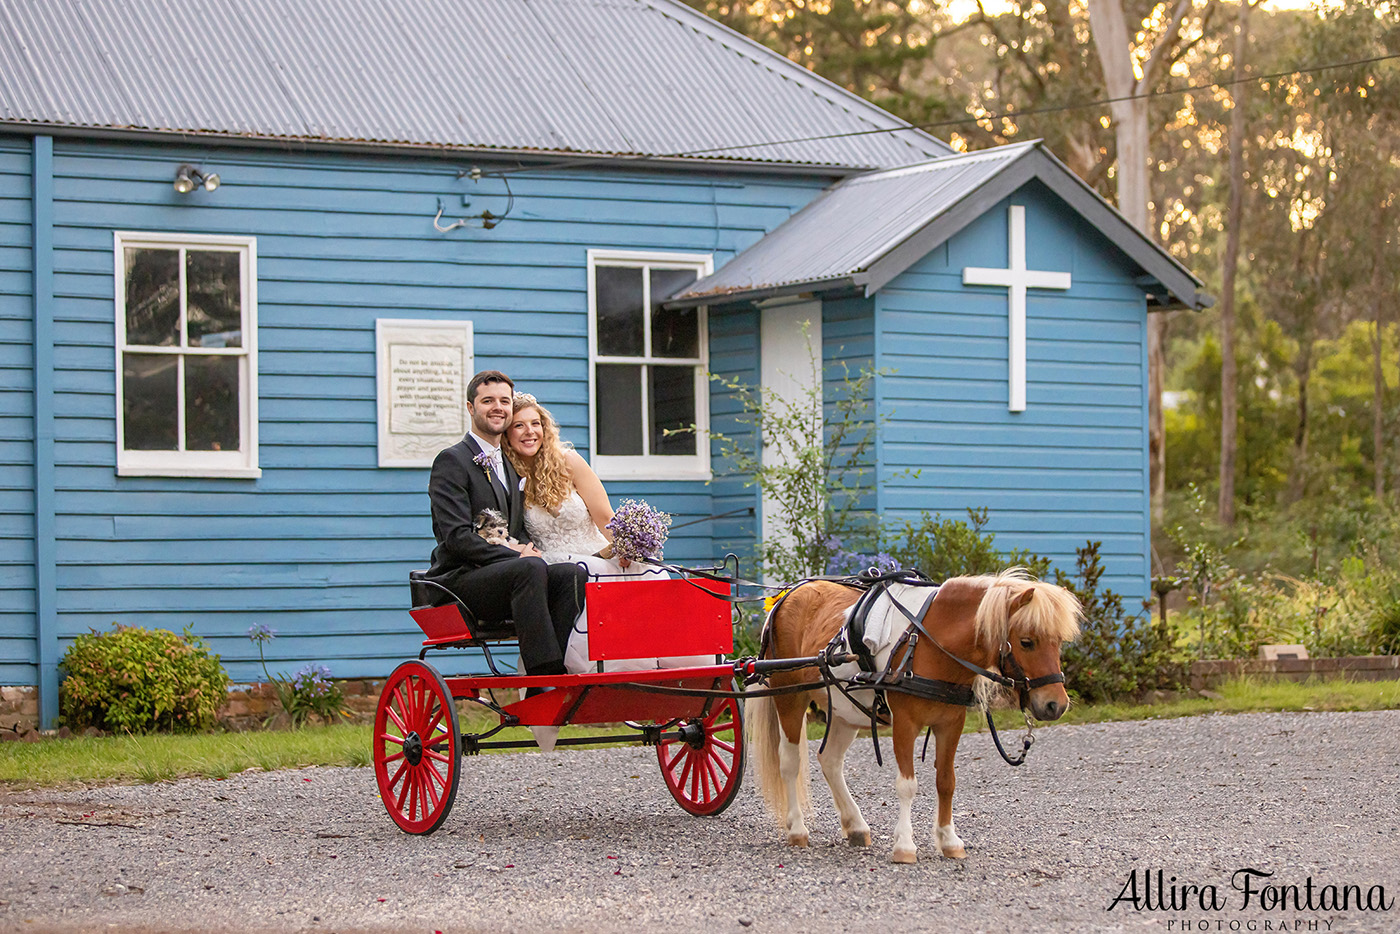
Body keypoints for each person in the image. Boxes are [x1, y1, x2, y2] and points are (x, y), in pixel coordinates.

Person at [503, 392, 711, 673]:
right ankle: (612, 665)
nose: (530, 432)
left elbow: (605, 517)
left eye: (536, 423)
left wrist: (625, 548)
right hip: (555, 562)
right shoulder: (506, 475)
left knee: (646, 572)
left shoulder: (568, 461)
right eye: (519, 425)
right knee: (588, 572)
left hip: (600, 550)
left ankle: (667, 659)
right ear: (506, 433)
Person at [423, 371, 587, 687]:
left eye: (504, 401)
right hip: (462, 580)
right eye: (488, 401)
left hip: (507, 576)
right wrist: (514, 553)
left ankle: (561, 659)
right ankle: (543, 675)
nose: (497, 407)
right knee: (527, 569)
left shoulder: (509, 465)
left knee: (570, 574)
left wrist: (525, 546)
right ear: (471, 408)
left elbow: (515, 528)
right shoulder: (452, 461)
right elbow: (456, 538)